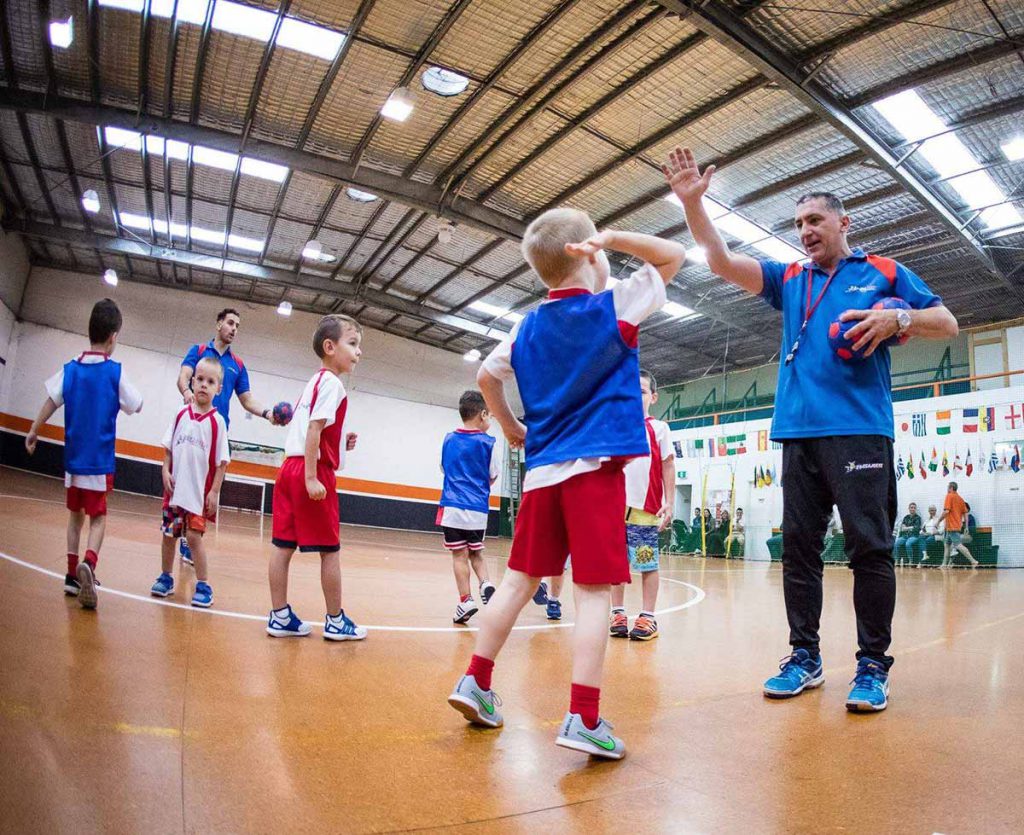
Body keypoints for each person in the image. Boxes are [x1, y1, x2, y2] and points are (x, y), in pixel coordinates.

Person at [664, 146, 959, 712]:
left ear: (843, 222)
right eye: (799, 224)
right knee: (799, 550)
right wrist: (692, 206)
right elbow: (722, 261)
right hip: (797, 433)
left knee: (869, 549)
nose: (805, 231)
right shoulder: (789, 278)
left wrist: (898, 317)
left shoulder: (884, 273)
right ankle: (805, 656)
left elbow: (945, 321)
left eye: (815, 221)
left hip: (859, 431)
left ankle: (872, 666)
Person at [447, 207, 686, 759]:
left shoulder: (526, 326)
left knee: (516, 583)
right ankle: (583, 715)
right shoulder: (614, 306)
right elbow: (673, 256)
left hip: (542, 476)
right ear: (589, 254)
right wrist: (616, 238)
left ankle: (476, 682)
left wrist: (511, 428)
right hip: (594, 473)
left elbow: (486, 375)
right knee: (596, 592)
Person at [24, 299, 143, 608]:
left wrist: (34, 429)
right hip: (99, 462)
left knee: (74, 517)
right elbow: (137, 404)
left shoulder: (71, 368)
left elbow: (51, 400)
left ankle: (70, 576)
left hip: (72, 462)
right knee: (99, 517)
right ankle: (89, 564)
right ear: (114, 336)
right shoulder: (115, 372)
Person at [266, 314, 366, 641]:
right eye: (352, 344)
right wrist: (312, 478)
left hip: (289, 469)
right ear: (329, 346)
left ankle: (279, 615)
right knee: (330, 551)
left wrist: (341, 440)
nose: (358, 352)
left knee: (283, 546)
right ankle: (336, 621)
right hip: (311, 471)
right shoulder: (333, 384)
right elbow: (313, 430)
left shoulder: (314, 382)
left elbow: (314, 430)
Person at [176, 307, 283, 565]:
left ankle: (193, 537)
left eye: (238, 325)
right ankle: (181, 535)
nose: (234, 329)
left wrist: (268, 413)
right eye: (230, 323)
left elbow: (246, 399)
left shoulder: (238, 365)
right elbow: (184, 377)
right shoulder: (199, 351)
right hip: (193, 430)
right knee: (186, 485)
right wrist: (186, 393)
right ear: (218, 324)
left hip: (217, 435)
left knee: (209, 492)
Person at [149, 356, 230, 607]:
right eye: (200, 379)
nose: (204, 385)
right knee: (169, 535)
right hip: (174, 491)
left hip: (198, 494)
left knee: (194, 538)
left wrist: (214, 491)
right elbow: (169, 448)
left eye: (211, 381)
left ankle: (203, 584)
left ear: (219, 388)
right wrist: (164, 470)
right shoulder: (180, 413)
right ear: (192, 382)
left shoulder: (217, 423)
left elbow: (221, 462)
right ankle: (165, 577)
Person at [610, 369, 674, 641]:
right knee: (616, 565)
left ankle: (648, 616)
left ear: (654, 397)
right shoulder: (615, 427)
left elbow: (668, 464)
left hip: (644, 513)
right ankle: (618, 612)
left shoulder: (659, 429)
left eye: (642, 391)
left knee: (646, 563)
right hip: (613, 511)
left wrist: (669, 502)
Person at [438, 390, 498, 624]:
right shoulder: (489, 443)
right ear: (482, 414)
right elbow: (492, 476)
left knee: (459, 555)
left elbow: (444, 469)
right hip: (477, 509)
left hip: (452, 506)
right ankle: (486, 583)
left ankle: (466, 600)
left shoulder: (448, 439)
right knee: (477, 553)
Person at [937, 482, 978, 568]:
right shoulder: (960, 499)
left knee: (958, 545)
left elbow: (946, 511)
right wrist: (966, 526)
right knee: (947, 545)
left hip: (952, 526)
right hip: (951, 527)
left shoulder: (949, 496)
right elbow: (966, 513)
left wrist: (938, 521)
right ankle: (944, 564)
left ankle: (973, 561)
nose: (947, 489)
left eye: (948, 487)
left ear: (951, 487)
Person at [893, 502, 923, 567]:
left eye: (914, 508)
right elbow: (902, 528)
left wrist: (907, 528)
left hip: (914, 536)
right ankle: (897, 561)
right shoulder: (906, 517)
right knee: (896, 543)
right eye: (911, 508)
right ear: (909, 508)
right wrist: (910, 527)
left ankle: (911, 561)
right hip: (905, 536)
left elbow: (916, 528)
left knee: (908, 544)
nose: (913, 509)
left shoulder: (918, 518)